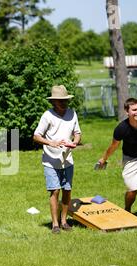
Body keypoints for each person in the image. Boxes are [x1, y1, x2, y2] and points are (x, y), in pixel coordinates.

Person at [33, 85, 82, 234]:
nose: (64, 104)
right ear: (53, 102)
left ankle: (64, 221)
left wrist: (75, 141)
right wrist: (51, 143)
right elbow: (36, 136)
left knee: (67, 191)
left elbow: (77, 132)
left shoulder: (72, 113)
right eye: (60, 101)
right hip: (50, 161)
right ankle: (55, 224)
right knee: (55, 191)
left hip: (67, 160)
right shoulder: (47, 115)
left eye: (65, 101)